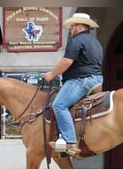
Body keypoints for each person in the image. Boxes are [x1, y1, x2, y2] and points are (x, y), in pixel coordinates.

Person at [43, 13, 104, 156]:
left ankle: (70, 142)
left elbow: (66, 61)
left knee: (59, 105)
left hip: (81, 80)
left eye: (72, 27)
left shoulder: (76, 41)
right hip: (97, 80)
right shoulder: (96, 42)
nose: (70, 30)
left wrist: (51, 74)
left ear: (80, 26)